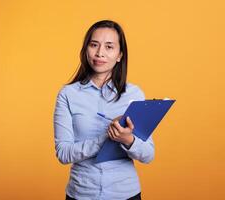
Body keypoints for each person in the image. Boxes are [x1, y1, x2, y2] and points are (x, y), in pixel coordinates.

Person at [53, 20, 155, 200]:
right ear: (86, 50)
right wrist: (105, 139)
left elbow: (148, 155)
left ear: (119, 55)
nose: (100, 53)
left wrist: (128, 139)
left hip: (126, 193)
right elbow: (63, 153)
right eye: (94, 45)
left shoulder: (133, 94)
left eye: (109, 47)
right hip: (81, 193)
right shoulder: (68, 94)